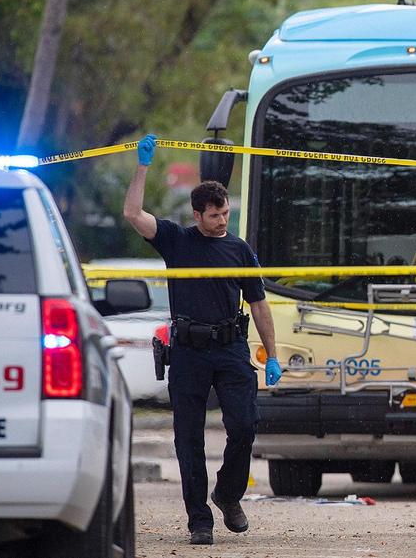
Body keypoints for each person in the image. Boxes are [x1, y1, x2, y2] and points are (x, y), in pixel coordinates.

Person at [123, 134, 282, 546]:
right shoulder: (177, 240)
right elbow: (132, 213)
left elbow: (259, 304)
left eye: (225, 213)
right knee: (188, 438)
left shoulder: (240, 250)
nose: (222, 221)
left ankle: (228, 496)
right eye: (214, 215)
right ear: (197, 215)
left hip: (231, 348)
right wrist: (143, 166)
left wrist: (273, 353)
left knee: (245, 426)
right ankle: (200, 520)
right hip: (190, 351)